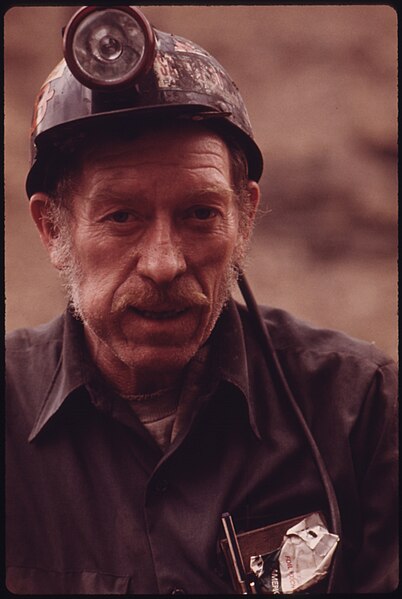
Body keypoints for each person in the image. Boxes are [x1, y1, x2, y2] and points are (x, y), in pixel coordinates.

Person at [5, 6, 397, 595]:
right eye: (122, 217)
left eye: (200, 214)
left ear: (244, 219)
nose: (165, 263)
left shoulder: (362, 409)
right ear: (54, 231)